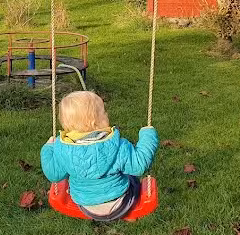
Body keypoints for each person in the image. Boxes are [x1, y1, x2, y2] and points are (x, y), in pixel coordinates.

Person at [40, 91, 158, 222]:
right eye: (103, 112)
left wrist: (47, 148)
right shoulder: (117, 145)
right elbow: (140, 165)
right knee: (132, 178)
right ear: (95, 121)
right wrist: (148, 136)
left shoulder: (62, 148)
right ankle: (128, 214)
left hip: (86, 206)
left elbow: (54, 175)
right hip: (120, 203)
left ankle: (114, 212)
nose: (106, 114)